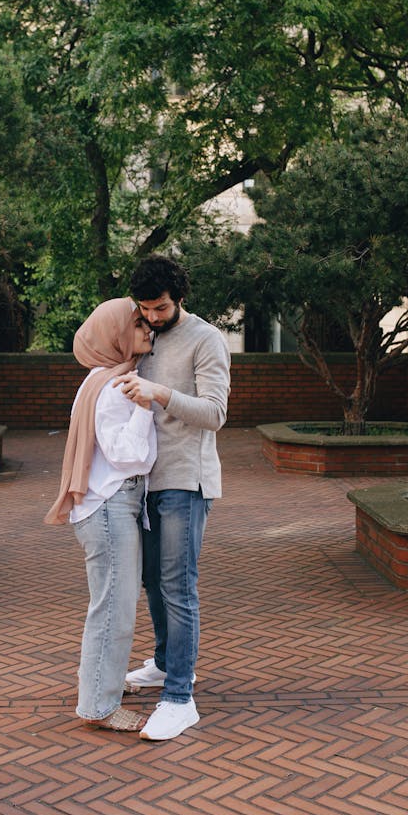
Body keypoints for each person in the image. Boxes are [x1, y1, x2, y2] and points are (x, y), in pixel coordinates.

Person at [114, 255, 230, 741]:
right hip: (146, 483)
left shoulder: (207, 339)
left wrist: (160, 393)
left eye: (160, 307)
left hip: (187, 481)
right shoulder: (144, 333)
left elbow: (215, 414)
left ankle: (181, 698)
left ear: (180, 297)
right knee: (151, 582)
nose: (153, 317)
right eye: (145, 308)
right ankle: (164, 665)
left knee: (178, 586)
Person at [44, 297, 156, 732]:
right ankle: (99, 706)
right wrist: (146, 408)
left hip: (109, 506)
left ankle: (101, 684)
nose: (147, 329)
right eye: (137, 324)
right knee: (113, 608)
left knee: (112, 604)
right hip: (111, 506)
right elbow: (128, 456)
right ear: (115, 336)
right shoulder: (113, 388)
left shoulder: (104, 379)